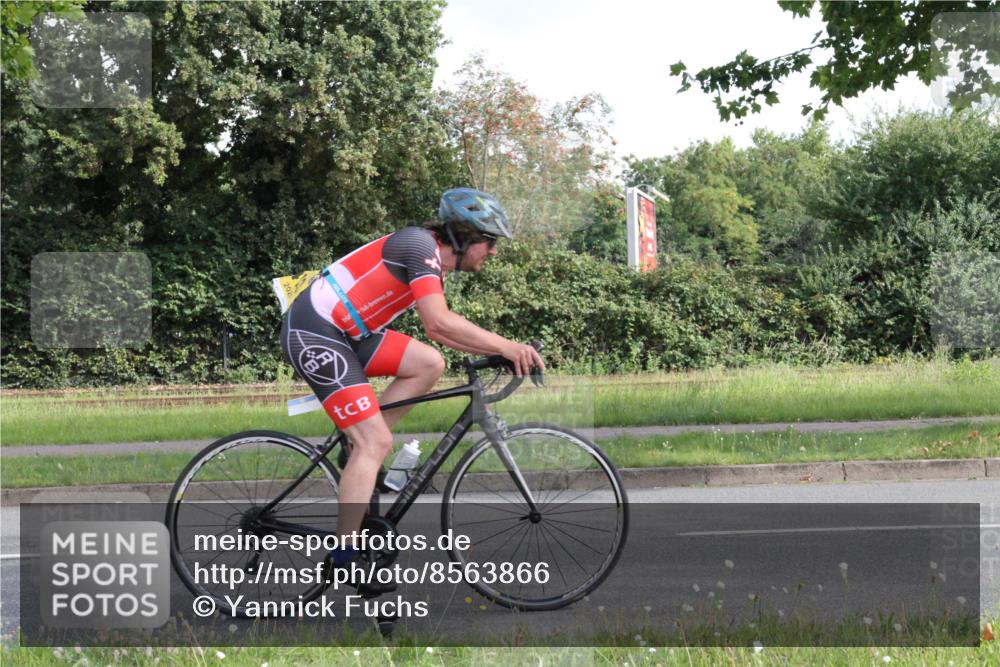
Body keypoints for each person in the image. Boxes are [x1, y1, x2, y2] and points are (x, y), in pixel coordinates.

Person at [279, 188, 545, 586]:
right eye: (489, 242)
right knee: (375, 444)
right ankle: (345, 553)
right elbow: (439, 323)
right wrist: (506, 346)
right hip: (315, 330)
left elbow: (441, 336)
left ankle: (360, 442)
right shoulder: (419, 246)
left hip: (350, 333)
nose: (492, 252)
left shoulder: (429, 258)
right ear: (464, 236)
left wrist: (500, 351)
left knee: (429, 363)